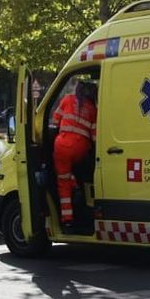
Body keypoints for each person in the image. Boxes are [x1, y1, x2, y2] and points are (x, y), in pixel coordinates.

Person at [52, 78, 97, 229]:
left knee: (62, 182)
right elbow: (95, 135)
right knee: (80, 171)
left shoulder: (67, 99)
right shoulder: (92, 109)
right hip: (81, 148)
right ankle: (76, 184)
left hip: (63, 146)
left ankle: (67, 219)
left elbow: (55, 118)